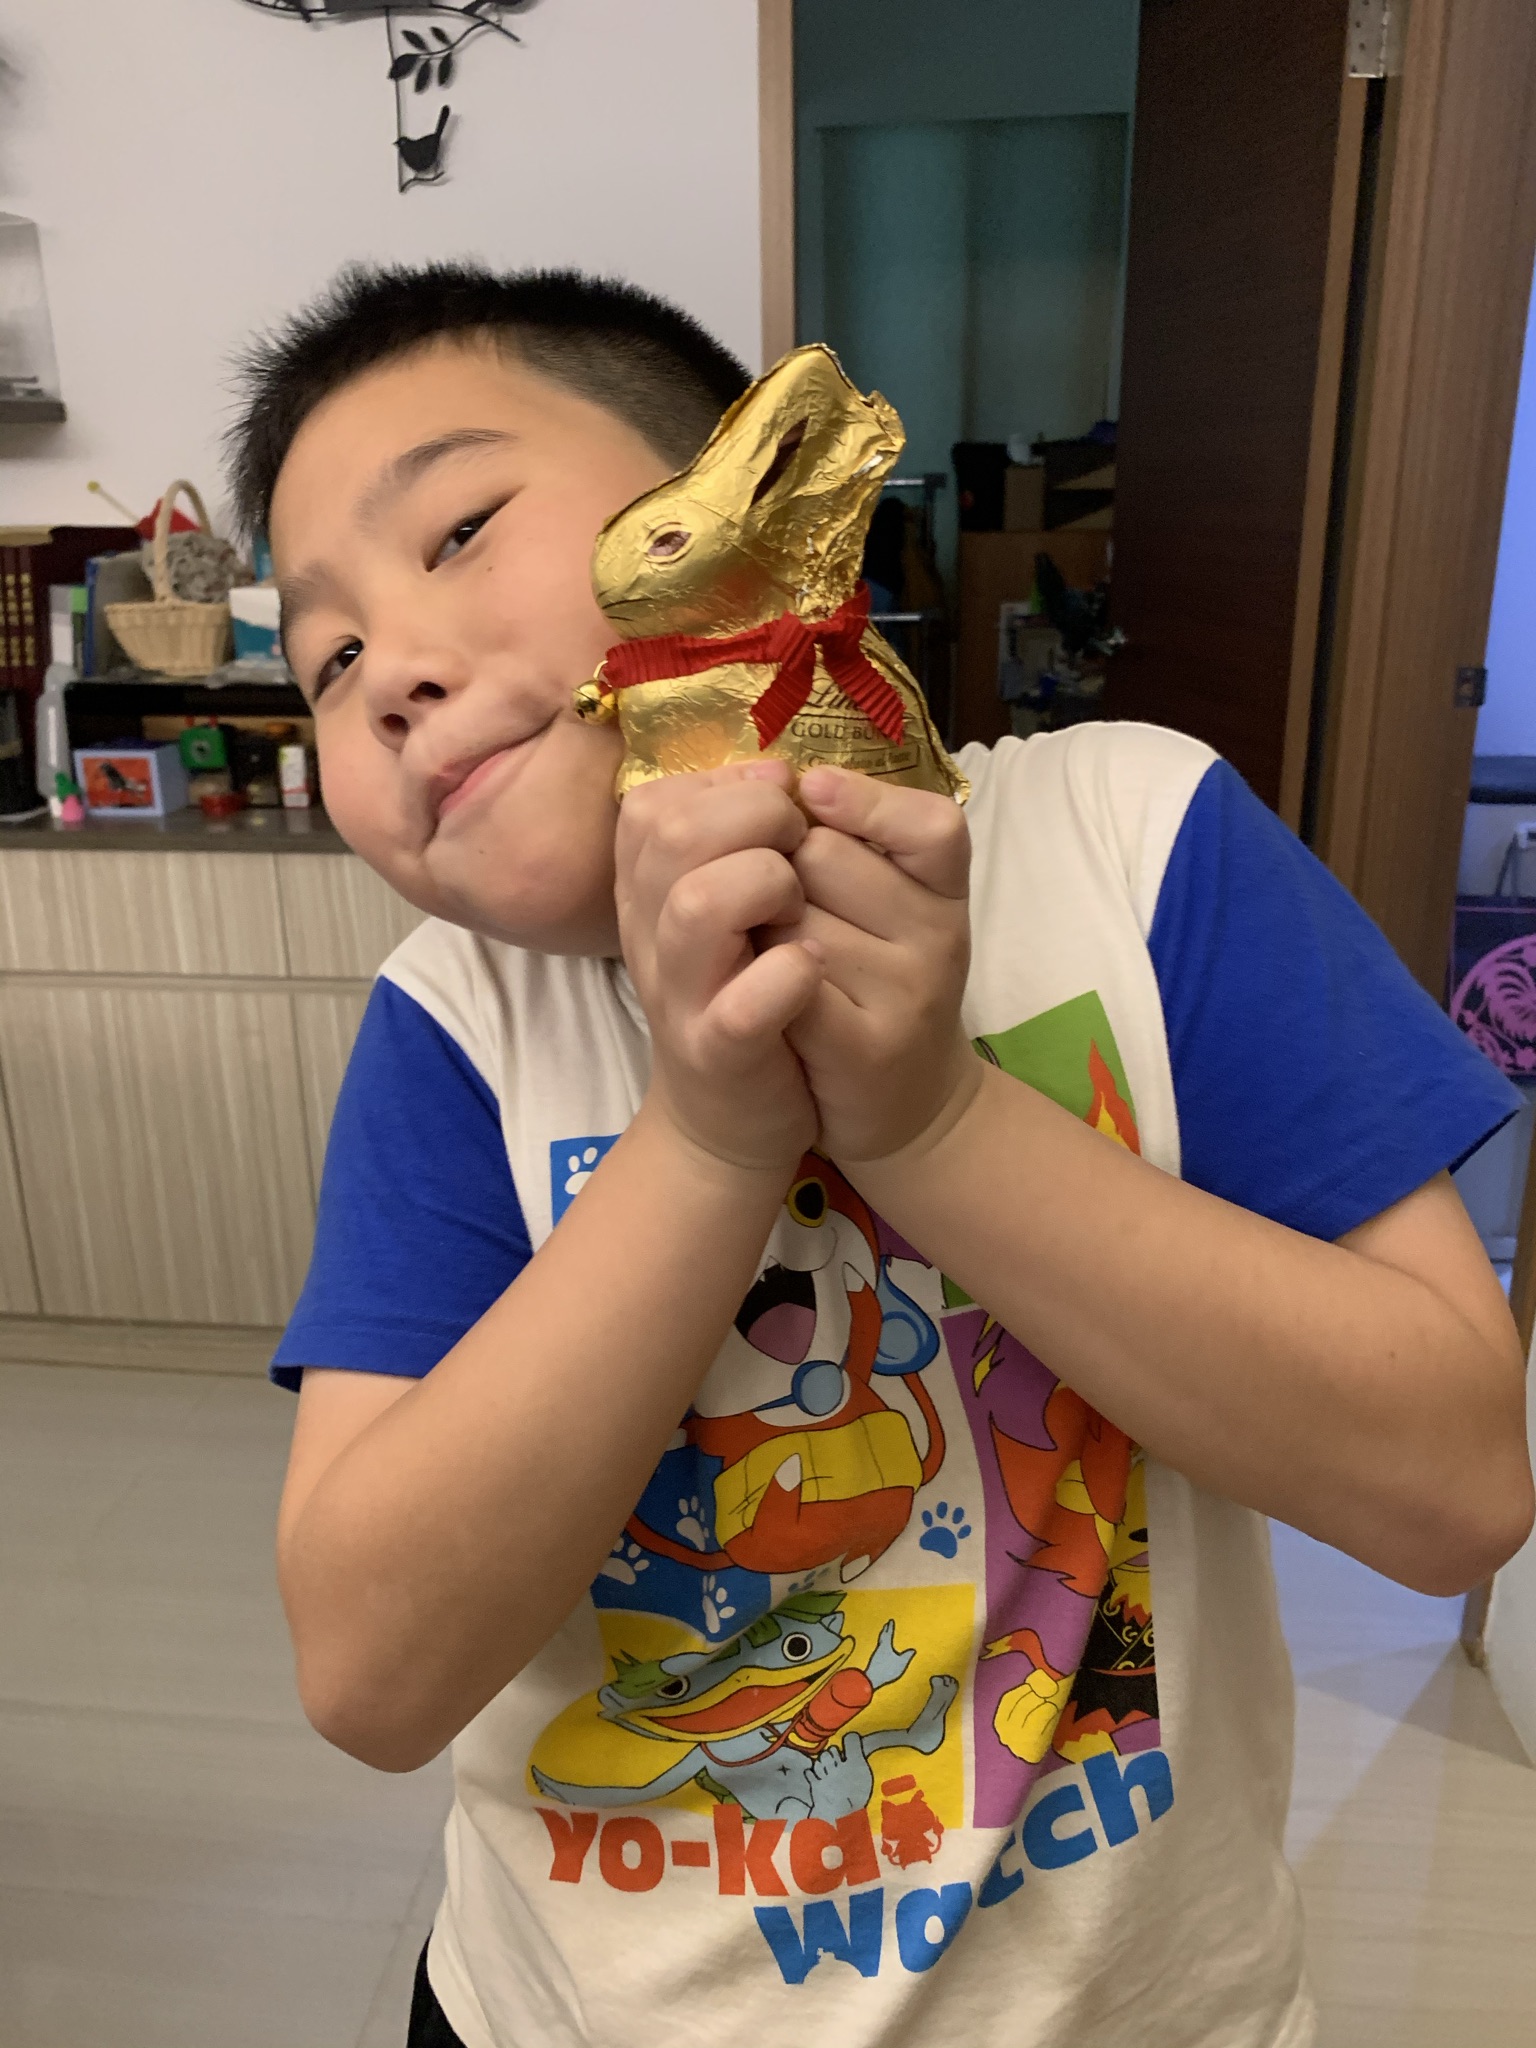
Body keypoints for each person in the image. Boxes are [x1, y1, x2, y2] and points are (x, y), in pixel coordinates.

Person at [234, 262, 1533, 2048]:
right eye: (325, 659)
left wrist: (935, 1122)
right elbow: (371, 1677)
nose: (389, 674)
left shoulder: (1136, 844)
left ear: (744, 497)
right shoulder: (455, 1028)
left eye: (459, 530)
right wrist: (706, 1144)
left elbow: (1455, 1489)